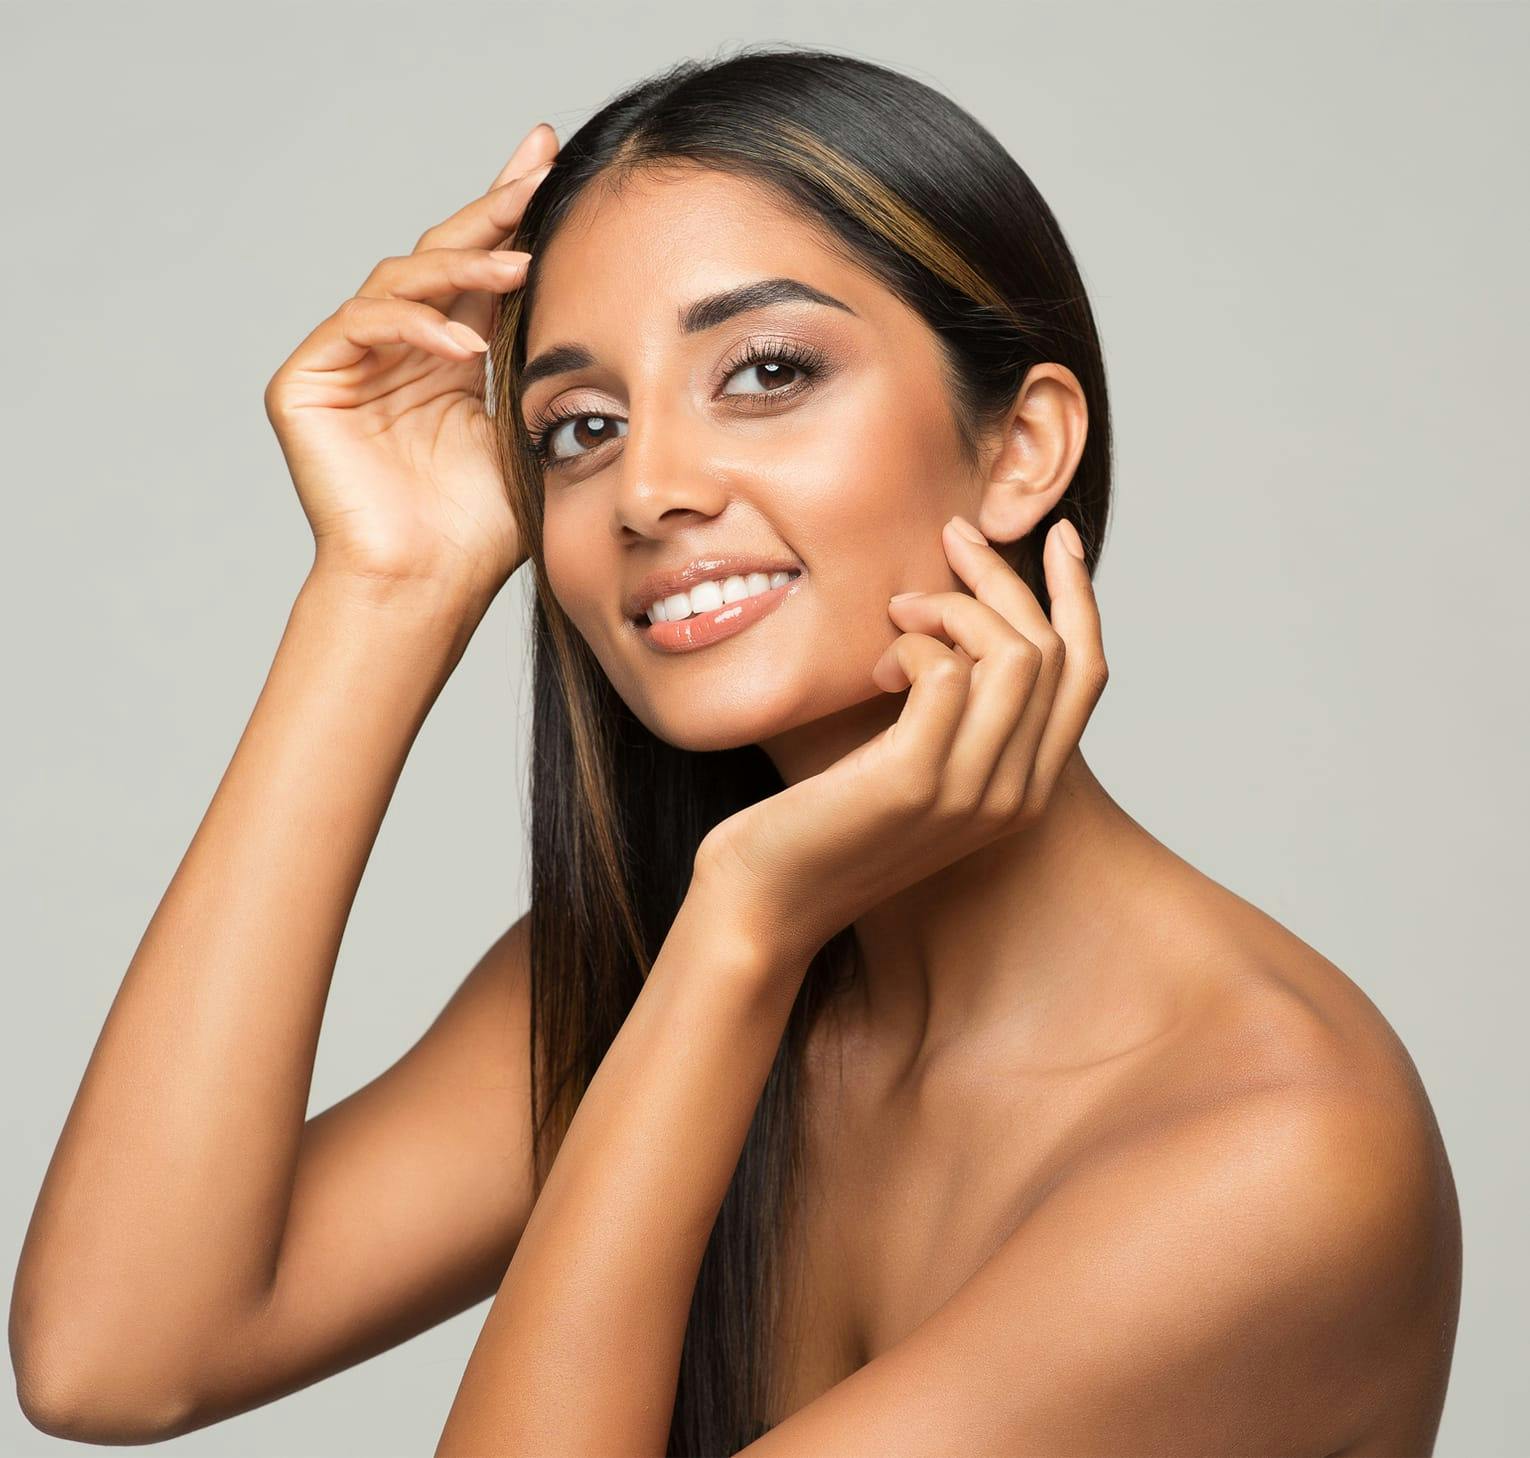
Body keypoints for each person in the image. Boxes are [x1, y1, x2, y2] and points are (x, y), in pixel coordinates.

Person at [12, 44, 1461, 1456]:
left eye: (765, 370)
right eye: (578, 425)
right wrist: (384, 586)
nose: (647, 488)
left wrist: (742, 933)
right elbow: (113, 1357)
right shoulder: (676, 955)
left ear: (1023, 447)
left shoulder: (1269, 1156)